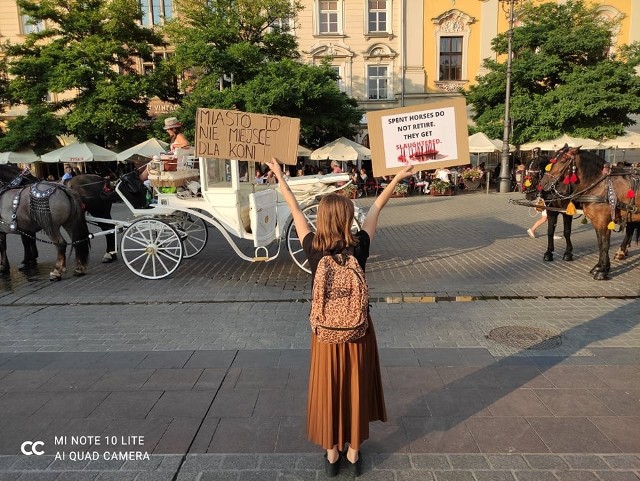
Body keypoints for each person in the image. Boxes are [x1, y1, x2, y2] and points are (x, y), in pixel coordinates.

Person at [266, 156, 413, 478]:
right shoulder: (359, 245)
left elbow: (293, 209)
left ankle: (332, 453)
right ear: (348, 218)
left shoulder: (312, 246)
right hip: (359, 330)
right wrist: (398, 176)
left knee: (329, 386)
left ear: (321, 218)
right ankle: (354, 450)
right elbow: (377, 209)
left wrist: (279, 174)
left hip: (325, 331)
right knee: (356, 386)